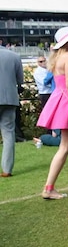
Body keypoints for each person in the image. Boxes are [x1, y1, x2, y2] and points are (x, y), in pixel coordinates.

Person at [36, 27, 68, 198]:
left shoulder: (59, 58)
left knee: (66, 146)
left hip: (61, 101)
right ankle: (49, 188)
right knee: (67, 147)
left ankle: (49, 188)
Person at [0, 42, 23, 177]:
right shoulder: (14, 56)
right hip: (10, 98)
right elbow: (20, 80)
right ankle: (7, 169)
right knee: (8, 134)